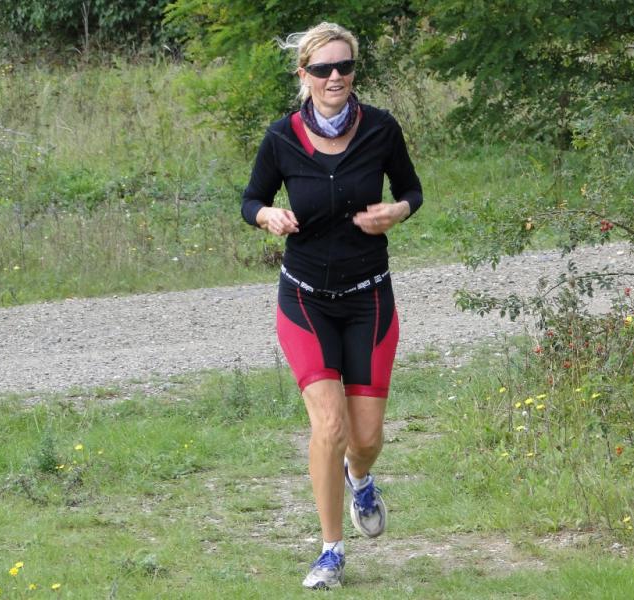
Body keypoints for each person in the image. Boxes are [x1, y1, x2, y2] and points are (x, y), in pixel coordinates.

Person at [240, 21, 423, 590]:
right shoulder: (282, 137)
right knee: (329, 424)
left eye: (344, 66)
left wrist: (397, 211)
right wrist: (267, 215)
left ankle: (359, 479)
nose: (335, 76)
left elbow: (412, 191)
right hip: (305, 299)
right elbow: (251, 199)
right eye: (323, 68)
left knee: (365, 439)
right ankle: (330, 552)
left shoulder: (381, 129)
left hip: (369, 299)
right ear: (305, 75)